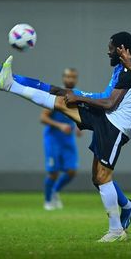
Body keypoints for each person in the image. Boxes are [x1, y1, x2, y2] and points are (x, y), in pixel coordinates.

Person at [0, 33, 131, 242]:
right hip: (108, 117)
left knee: (102, 177)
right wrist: (130, 63)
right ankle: (9, 84)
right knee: (62, 103)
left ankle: (116, 230)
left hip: (118, 126)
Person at [41, 68, 82, 210]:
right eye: (68, 76)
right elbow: (43, 117)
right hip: (53, 139)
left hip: (68, 139)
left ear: (76, 79)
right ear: (63, 78)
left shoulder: (77, 95)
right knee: (53, 172)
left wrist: (79, 126)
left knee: (72, 171)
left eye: (73, 77)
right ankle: (48, 201)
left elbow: (77, 116)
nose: (70, 79)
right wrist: (59, 125)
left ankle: (54, 191)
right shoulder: (56, 95)